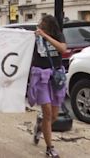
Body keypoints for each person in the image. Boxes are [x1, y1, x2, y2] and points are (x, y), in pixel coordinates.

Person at [28, 15, 67, 158]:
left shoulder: (58, 35)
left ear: (49, 25)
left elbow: (63, 49)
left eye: (42, 24)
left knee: (54, 116)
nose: (40, 26)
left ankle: (39, 126)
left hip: (55, 77)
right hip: (40, 77)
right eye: (39, 24)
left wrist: (45, 36)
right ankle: (49, 148)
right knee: (48, 113)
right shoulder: (34, 37)